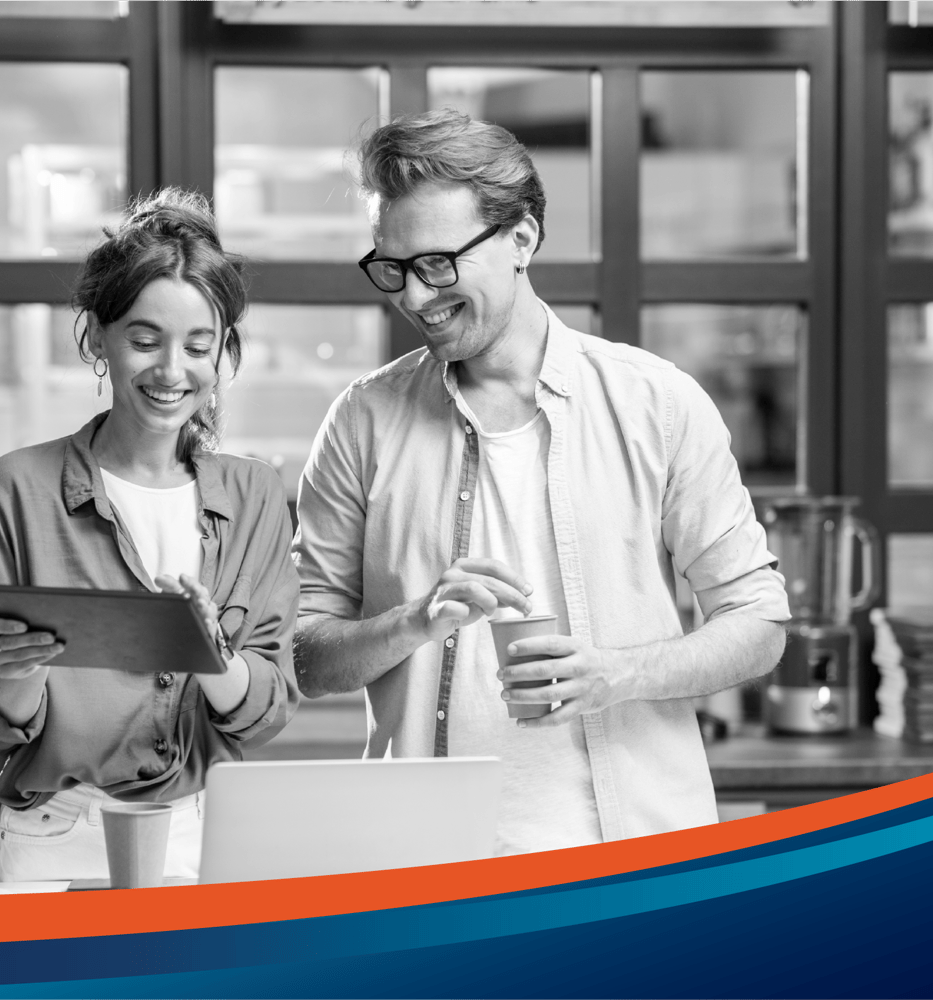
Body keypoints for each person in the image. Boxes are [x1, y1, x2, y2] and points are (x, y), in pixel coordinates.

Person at [292, 109, 790, 856]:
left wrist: (616, 674)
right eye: (391, 269)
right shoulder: (363, 420)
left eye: (437, 264)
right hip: (424, 868)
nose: (413, 298)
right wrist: (410, 622)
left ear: (520, 238)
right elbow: (304, 655)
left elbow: (757, 624)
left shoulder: (655, 402)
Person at [0, 188, 299, 882]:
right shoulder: (19, 487)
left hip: (198, 840)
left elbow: (262, 716)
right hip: (51, 835)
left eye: (198, 347)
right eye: (144, 340)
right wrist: (18, 675)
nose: (172, 372)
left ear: (223, 352)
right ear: (97, 338)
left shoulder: (255, 494)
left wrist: (210, 653)